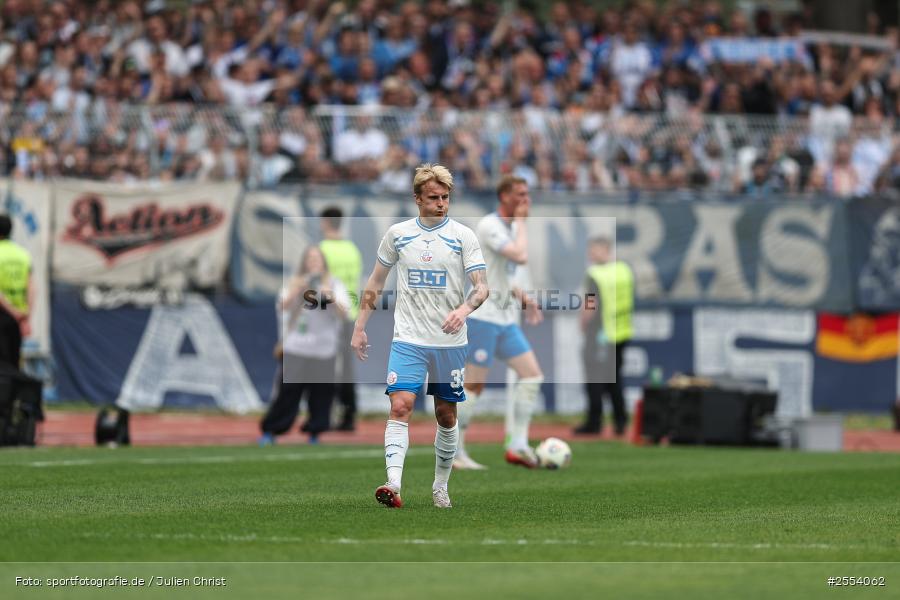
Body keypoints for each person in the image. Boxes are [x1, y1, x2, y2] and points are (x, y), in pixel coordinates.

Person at [351, 163, 488, 509]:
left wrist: (463, 310)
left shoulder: (463, 236)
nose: (441, 203)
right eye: (433, 198)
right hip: (408, 339)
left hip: (449, 343)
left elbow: (482, 287)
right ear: (417, 199)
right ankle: (393, 484)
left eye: (445, 197)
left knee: (446, 415)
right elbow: (376, 282)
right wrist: (359, 326)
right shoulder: (398, 235)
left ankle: (440, 486)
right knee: (401, 405)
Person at [455, 176, 545, 470]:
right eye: (519, 193)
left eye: (527, 193)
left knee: (532, 375)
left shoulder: (508, 227)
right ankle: (454, 452)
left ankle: (517, 444)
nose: (525, 199)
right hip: (483, 316)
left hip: (505, 319)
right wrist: (521, 223)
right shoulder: (490, 225)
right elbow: (518, 256)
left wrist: (524, 298)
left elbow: (503, 274)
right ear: (504, 195)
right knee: (473, 386)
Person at [260, 245, 350, 445]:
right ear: (304, 263)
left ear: (323, 262)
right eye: (310, 259)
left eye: (317, 258)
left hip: (324, 348)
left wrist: (331, 297)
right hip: (297, 347)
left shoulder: (334, 284)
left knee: (321, 394)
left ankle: (315, 431)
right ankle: (272, 430)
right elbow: (282, 307)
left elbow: (345, 313)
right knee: (287, 392)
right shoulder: (294, 282)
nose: (314, 262)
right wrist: (297, 290)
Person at [575, 237, 634, 436]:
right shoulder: (623, 270)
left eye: (594, 249)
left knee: (594, 380)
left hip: (600, 333)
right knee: (615, 379)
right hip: (622, 332)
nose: (590, 254)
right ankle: (620, 421)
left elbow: (591, 304)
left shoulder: (596, 274)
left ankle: (594, 422)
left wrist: (583, 322)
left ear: (604, 250)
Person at [318, 206, 363, 431]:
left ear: (325, 222)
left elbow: (320, 285)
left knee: (324, 367)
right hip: (350, 315)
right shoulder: (352, 249)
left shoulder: (322, 249)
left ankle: (323, 415)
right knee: (346, 369)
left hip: (328, 317)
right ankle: (349, 416)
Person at [0, 215, 32, 369]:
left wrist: (11, 311)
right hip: (18, 316)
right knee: (13, 365)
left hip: (4, 312)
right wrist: (25, 316)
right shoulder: (22, 254)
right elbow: (32, 287)